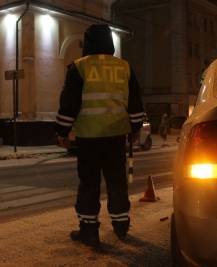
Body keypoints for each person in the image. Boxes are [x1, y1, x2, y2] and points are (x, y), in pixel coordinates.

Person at [55, 24, 144, 248]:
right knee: (117, 181)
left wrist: (62, 131)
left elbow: (69, 104)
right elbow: (135, 102)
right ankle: (121, 226)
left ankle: (89, 231)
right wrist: (135, 129)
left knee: (89, 184)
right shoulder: (124, 67)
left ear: (88, 43)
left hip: (88, 137)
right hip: (116, 136)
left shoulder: (79, 67)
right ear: (110, 43)